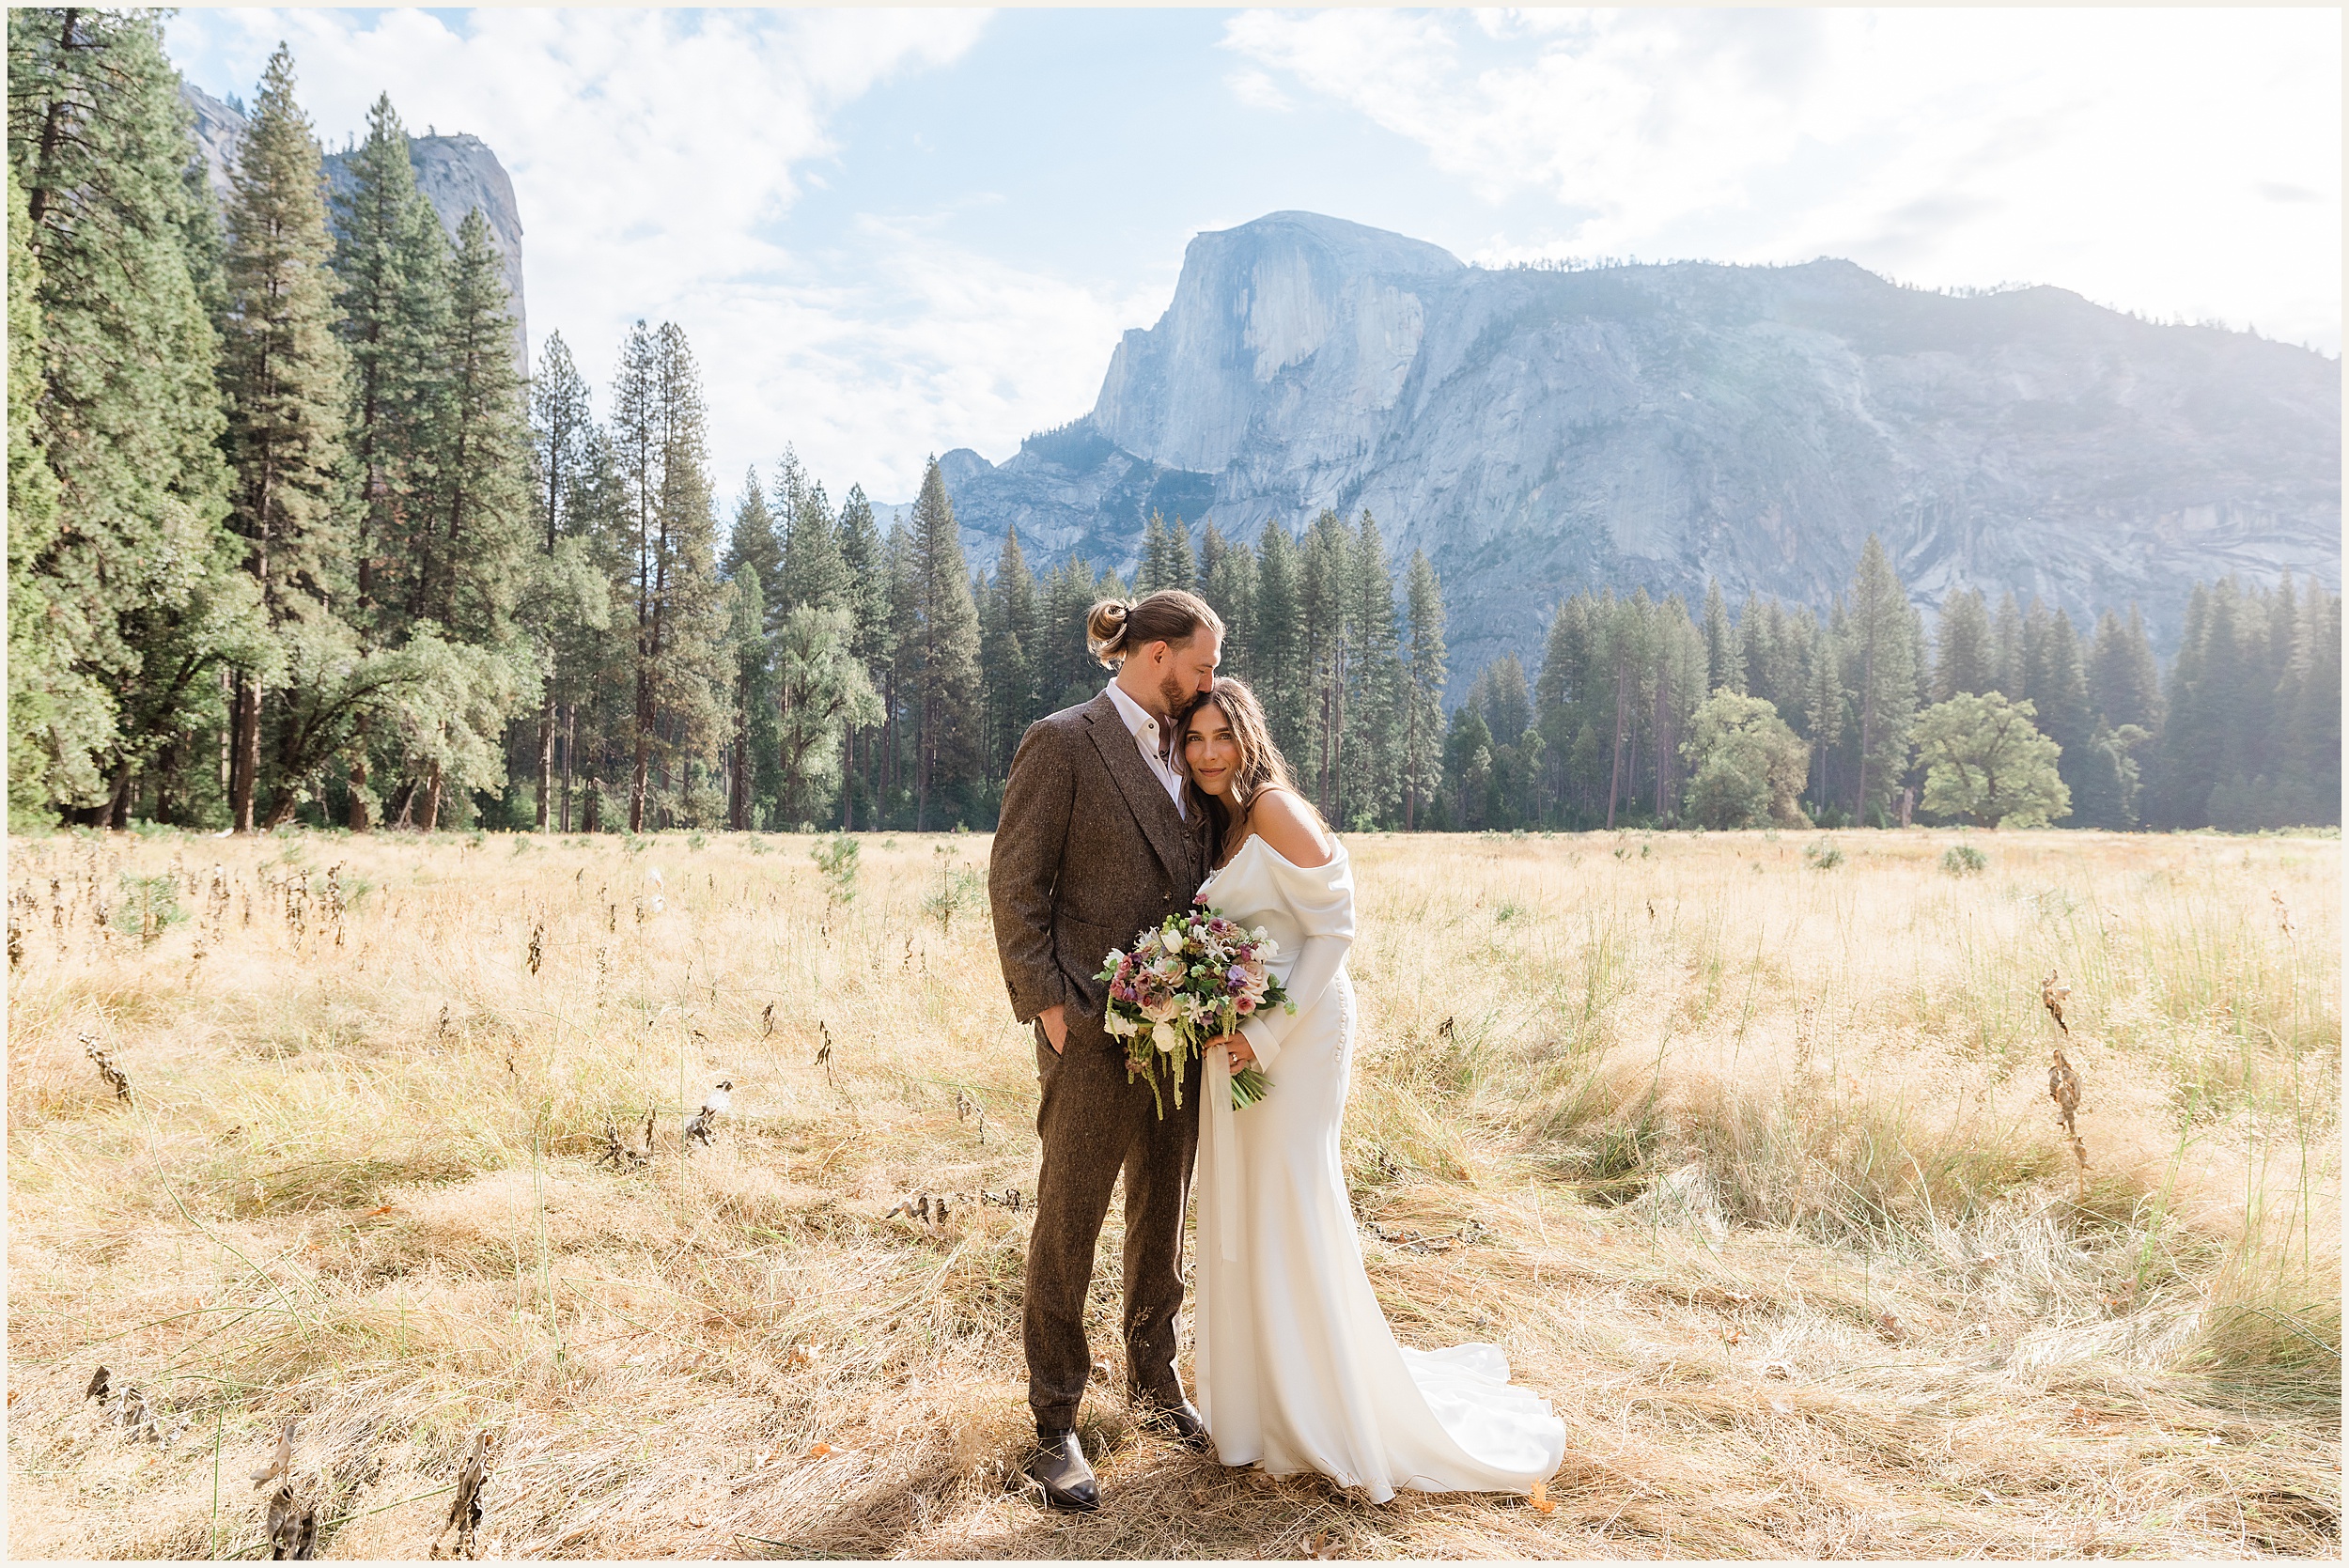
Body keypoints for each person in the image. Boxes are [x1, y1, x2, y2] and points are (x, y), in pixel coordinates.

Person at [1180, 677, 1568, 1502]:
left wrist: (1265, 1031)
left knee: (1293, 1198)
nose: (1208, 752)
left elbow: (1336, 926)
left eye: (1222, 735)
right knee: (1249, 1206)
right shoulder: (1219, 821)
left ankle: (1326, 1407)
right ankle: (1260, 1408)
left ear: (1249, 735)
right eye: (1194, 739)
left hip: (1299, 1031)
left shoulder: (1276, 806)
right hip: (1239, 1038)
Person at [987, 587, 1225, 1512]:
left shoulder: (1195, 743)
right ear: (1157, 653)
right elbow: (1016, 882)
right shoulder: (1064, 740)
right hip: (1086, 1032)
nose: (1211, 681)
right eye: (1201, 663)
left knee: (1161, 1217)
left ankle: (1154, 1384)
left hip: (1181, 1034)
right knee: (1069, 1224)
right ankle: (1054, 1424)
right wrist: (1049, 1007)